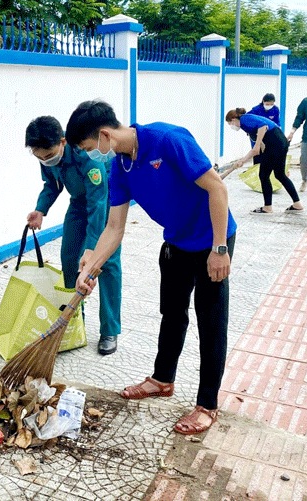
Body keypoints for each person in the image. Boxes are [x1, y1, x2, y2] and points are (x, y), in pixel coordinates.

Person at [66, 100, 236, 436]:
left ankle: (207, 405)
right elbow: (114, 227)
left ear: (104, 135)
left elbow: (217, 187)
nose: (90, 155)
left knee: (211, 322)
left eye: (88, 148)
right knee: (172, 314)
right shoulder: (120, 167)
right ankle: (162, 379)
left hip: (211, 239)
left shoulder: (168, 140)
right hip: (175, 242)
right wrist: (89, 270)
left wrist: (219, 249)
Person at [25, 116, 122, 355]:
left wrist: (91, 250)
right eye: (40, 157)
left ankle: (109, 329)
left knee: (105, 263)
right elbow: (52, 185)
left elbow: (98, 205)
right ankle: (75, 319)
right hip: (79, 203)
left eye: (48, 155)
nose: (46, 160)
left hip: (108, 202)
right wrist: (40, 210)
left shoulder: (86, 155)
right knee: (69, 258)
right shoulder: (45, 157)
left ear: (63, 141)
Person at [226, 108, 303, 214]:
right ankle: (297, 204)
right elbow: (256, 150)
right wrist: (243, 160)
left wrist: (257, 145)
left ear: (233, 119)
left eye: (230, 123)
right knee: (280, 175)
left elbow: (263, 126)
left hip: (275, 142)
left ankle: (267, 207)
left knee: (264, 175)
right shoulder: (248, 126)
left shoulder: (244, 119)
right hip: (280, 141)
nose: (231, 126)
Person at [247, 93, 281, 166]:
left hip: (269, 134)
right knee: (257, 153)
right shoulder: (256, 110)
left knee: (268, 153)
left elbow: (277, 122)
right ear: (263, 101)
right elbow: (247, 119)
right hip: (257, 135)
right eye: (267, 104)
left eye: (271, 104)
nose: (269, 106)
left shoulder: (275, 110)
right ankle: (257, 169)